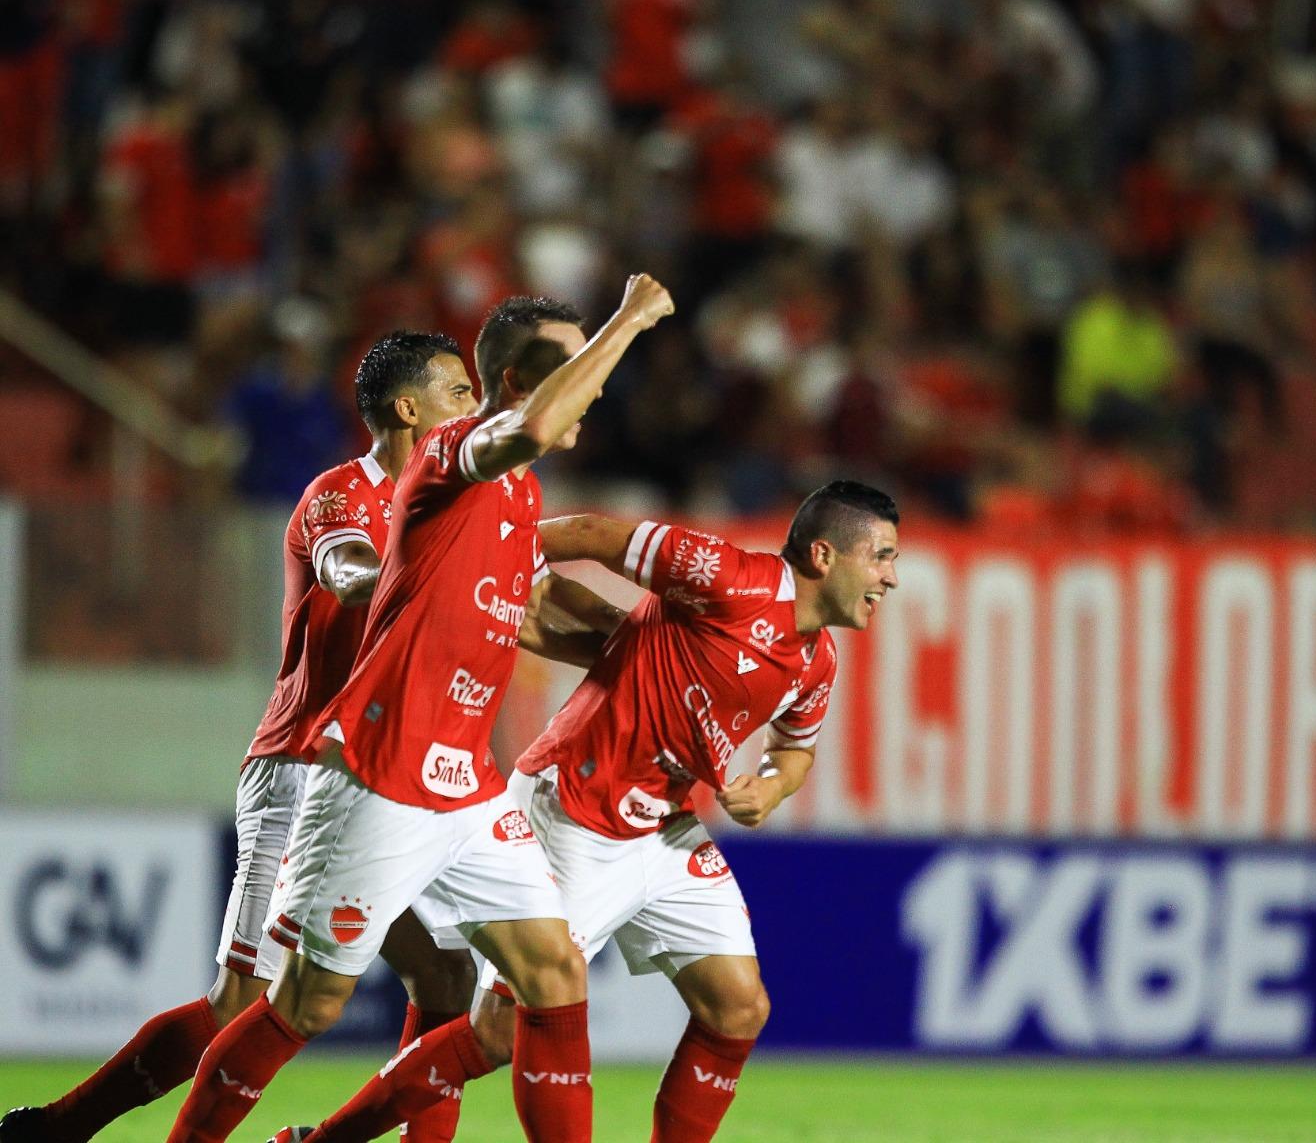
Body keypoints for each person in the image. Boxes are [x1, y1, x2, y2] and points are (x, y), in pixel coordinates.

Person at [163, 278, 675, 1143]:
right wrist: (629, 319)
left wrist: (662, 657)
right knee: (304, 1001)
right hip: (380, 767)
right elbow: (539, 427)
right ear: (518, 379)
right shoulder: (453, 455)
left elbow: (537, 617)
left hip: (466, 781)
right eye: (570, 357)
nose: (590, 376)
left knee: (548, 980)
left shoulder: (516, 498)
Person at [271, 481, 901, 1143]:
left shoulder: (817, 661)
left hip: (663, 827)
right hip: (571, 806)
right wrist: (486, 552)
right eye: (882, 556)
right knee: (500, 1029)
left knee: (739, 1007)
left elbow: (793, 751)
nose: (890, 577)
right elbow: (600, 536)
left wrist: (770, 788)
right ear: (826, 556)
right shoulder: (733, 578)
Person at [0, 331, 481, 1143]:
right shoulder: (341, 493)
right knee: (244, 1001)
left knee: (444, 973)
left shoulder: (456, 510)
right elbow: (349, 572)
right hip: (304, 769)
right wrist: (430, 585)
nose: (475, 406)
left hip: (399, 779)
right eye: (460, 390)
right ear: (410, 408)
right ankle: (58, 1128)